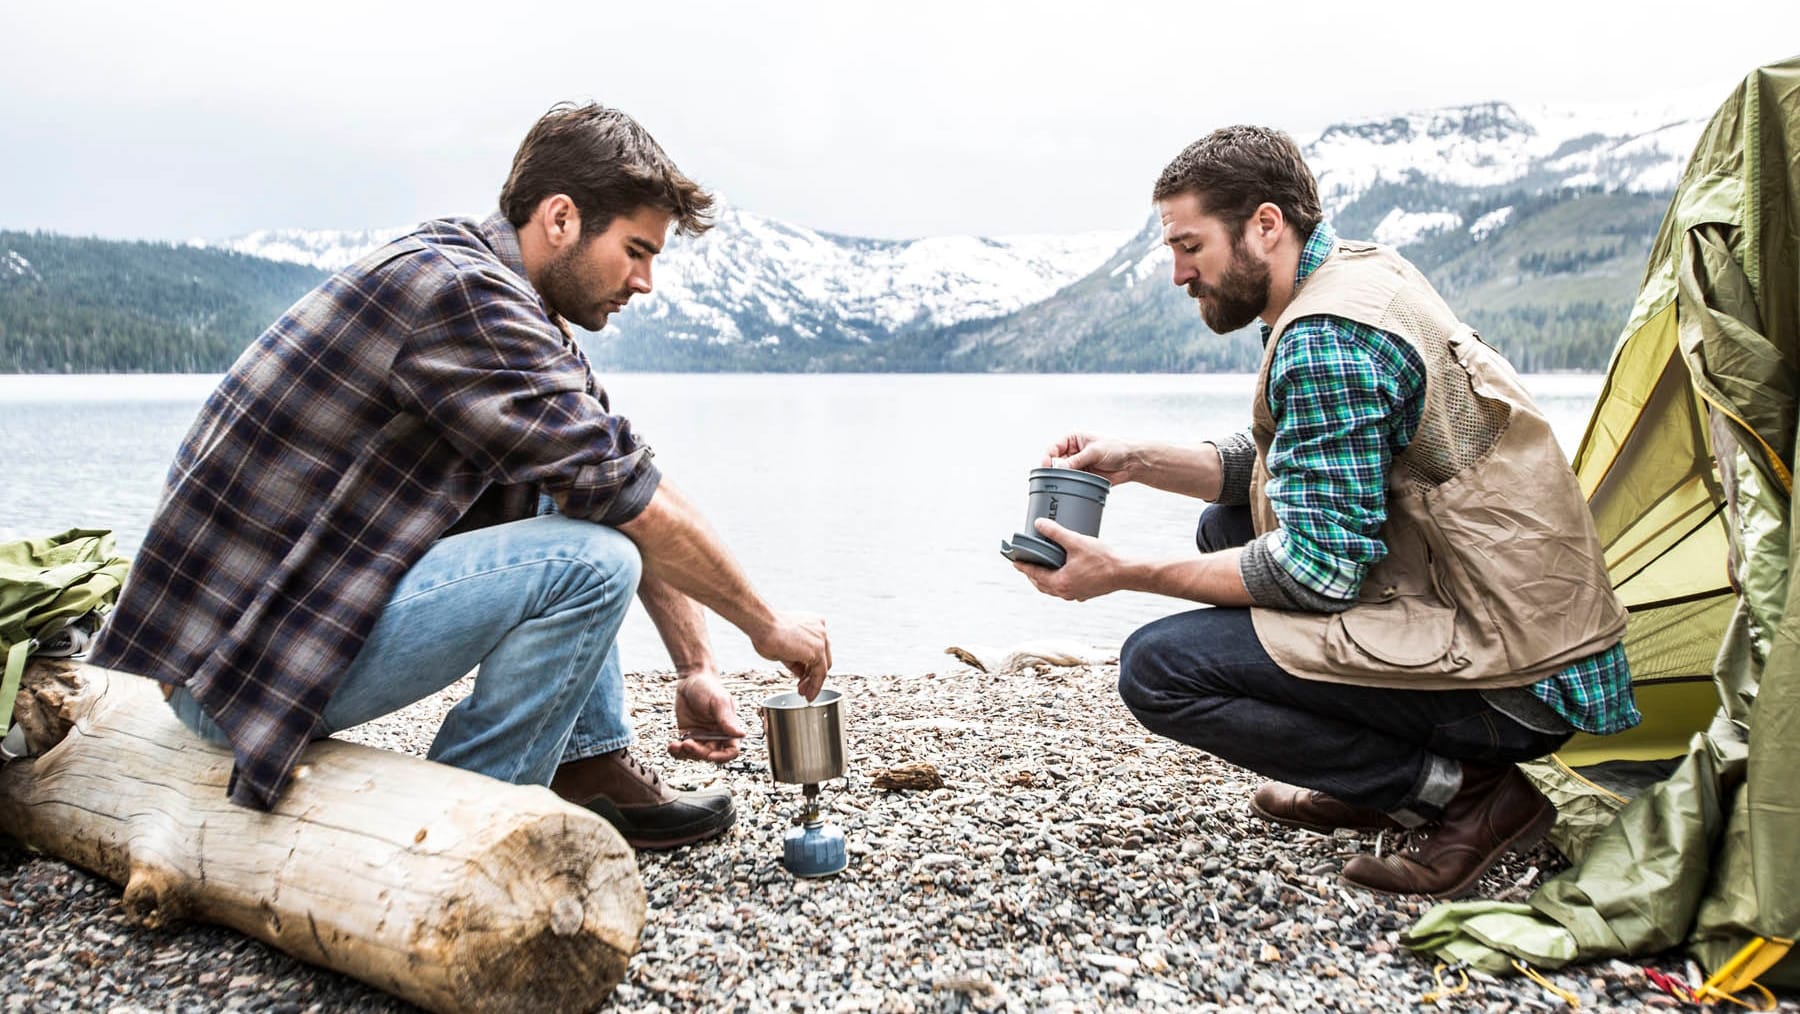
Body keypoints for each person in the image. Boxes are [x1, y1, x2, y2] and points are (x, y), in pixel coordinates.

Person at [89, 102, 831, 851]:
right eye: (636, 250)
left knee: (568, 491)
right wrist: (767, 626)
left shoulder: (502, 297)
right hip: (238, 670)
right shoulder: (462, 296)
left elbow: (619, 476)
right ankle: (452, 830)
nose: (644, 282)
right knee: (594, 562)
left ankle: (587, 767)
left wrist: (696, 667)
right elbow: (631, 504)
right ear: (562, 218)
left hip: (262, 634)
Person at [1013, 125, 1636, 898]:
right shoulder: (1351, 273)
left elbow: (1315, 569)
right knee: (1229, 528)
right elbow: (1292, 458)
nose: (1177, 273)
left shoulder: (1328, 335)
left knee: (1158, 669)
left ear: (1265, 224)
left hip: (1514, 685)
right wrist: (1133, 461)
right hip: (1518, 625)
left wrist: (1123, 573)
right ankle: (1384, 782)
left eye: (1189, 245)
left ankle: (1467, 795)